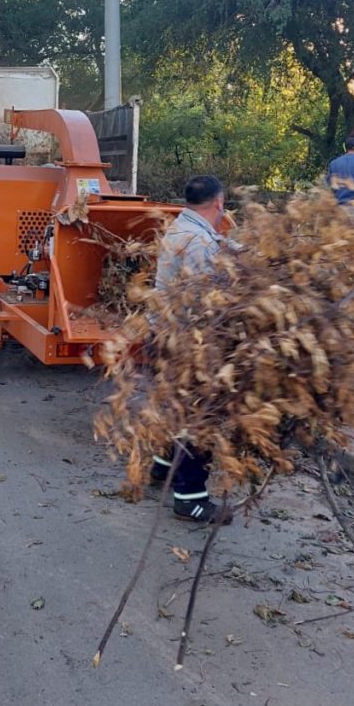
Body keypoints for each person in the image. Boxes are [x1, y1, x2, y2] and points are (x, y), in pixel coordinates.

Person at [151, 175, 241, 523]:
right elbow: (208, 301)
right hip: (188, 341)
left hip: (164, 334)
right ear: (219, 203)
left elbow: (216, 245)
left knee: (174, 407)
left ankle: (162, 466)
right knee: (198, 416)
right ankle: (190, 497)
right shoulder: (198, 242)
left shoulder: (181, 227)